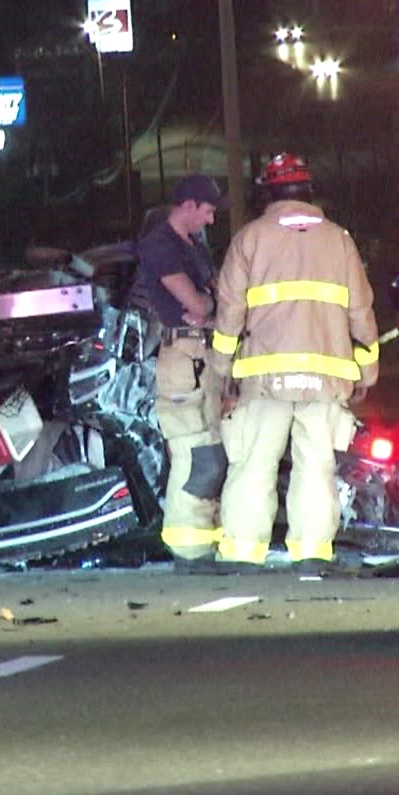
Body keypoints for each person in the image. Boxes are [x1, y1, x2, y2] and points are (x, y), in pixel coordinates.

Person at [212, 153, 379, 577]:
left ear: (267, 193)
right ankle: (311, 552)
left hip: (262, 378)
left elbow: (230, 312)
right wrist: (366, 370)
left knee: (252, 464)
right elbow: (360, 311)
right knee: (317, 465)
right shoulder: (340, 241)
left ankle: (243, 552)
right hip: (326, 377)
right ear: (308, 192)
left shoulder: (249, 239)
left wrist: (221, 370)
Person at [132, 174, 230, 572]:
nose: (210, 221)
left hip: (202, 357)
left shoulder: (193, 248)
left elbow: (213, 300)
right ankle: (189, 552)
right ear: (188, 205)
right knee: (196, 454)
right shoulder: (160, 246)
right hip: (183, 359)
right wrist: (209, 302)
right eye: (207, 211)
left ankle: (205, 546)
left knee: (213, 451)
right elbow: (200, 303)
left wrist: (209, 303)